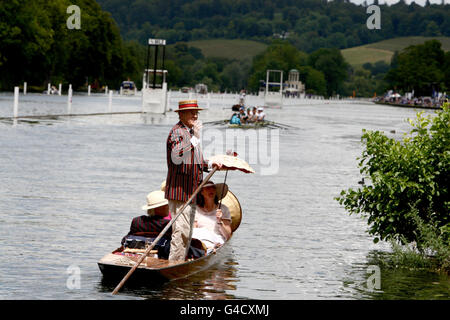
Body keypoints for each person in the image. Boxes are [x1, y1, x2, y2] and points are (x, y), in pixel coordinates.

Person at [165, 100, 222, 261]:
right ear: (181, 114)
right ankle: (174, 264)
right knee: (181, 231)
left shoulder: (189, 134)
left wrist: (211, 164)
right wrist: (196, 137)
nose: (195, 115)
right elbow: (178, 155)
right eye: (191, 112)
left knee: (187, 232)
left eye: (196, 112)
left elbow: (197, 161)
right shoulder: (178, 132)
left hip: (191, 192)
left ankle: (179, 263)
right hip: (180, 192)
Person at [192, 181, 232, 251]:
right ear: (202, 192)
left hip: (217, 239)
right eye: (207, 188)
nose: (211, 190)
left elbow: (228, 236)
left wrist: (220, 221)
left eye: (213, 188)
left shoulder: (223, 209)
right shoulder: (195, 209)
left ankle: (210, 248)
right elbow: (194, 230)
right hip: (201, 240)